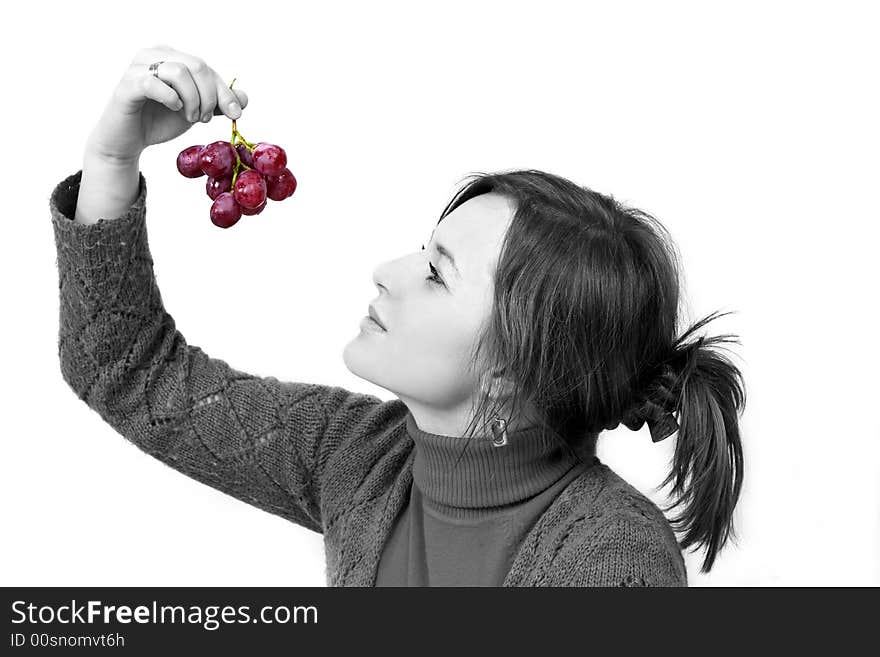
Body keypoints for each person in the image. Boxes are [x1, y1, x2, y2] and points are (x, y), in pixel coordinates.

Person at [50, 44, 745, 587]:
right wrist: (113, 155)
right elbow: (125, 368)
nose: (387, 271)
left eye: (438, 272)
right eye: (422, 250)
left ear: (509, 371)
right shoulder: (358, 456)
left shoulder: (612, 559)